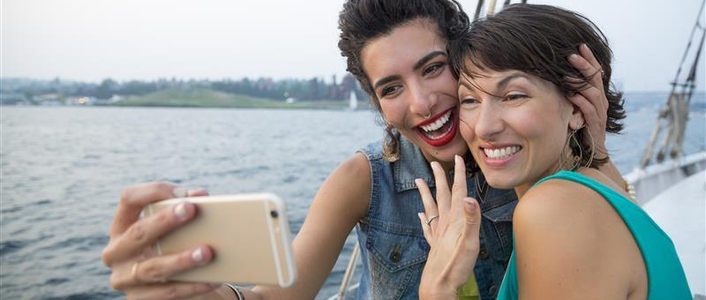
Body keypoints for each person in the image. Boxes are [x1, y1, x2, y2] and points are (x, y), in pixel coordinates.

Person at [100, 1, 622, 300]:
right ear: (375, 102)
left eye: (434, 68)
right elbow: (282, 292)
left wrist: (592, 153)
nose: (422, 103)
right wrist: (200, 294)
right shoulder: (365, 179)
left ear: (468, 60)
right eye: (391, 88)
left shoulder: (528, 161)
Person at [416, 4, 692, 300]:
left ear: (577, 106)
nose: (483, 127)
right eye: (469, 100)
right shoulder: (601, 186)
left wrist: (437, 290)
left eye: (513, 96)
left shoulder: (553, 210)